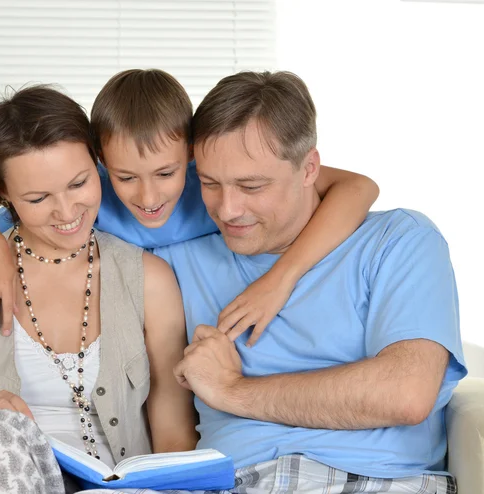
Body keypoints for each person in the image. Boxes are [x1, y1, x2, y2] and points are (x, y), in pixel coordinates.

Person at [149, 71, 465, 493]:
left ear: (309, 168)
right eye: (209, 183)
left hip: (373, 481)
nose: (226, 209)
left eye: (251, 185)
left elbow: (405, 392)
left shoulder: (399, 241)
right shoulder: (173, 258)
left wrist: (233, 390)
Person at [0, 69, 380, 347]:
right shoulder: (86, 198)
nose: (148, 198)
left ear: (193, 156)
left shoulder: (213, 186)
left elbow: (358, 187)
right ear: (100, 162)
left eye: (166, 174)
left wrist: (280, 279)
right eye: (126, 176)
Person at [0, 86, 197, 493]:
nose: (67, 212)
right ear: (5, 195)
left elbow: (174, 437)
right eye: (38, 198)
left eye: (79, 183)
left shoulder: (149, 280)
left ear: (98, 163)